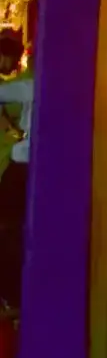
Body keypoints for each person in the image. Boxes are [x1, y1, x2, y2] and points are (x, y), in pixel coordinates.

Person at [0, 33, 32, 312]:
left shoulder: (26, 86)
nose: (15, 64)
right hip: (13, 166)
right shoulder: (29, 85)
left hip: (12, 165)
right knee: (11, 230)